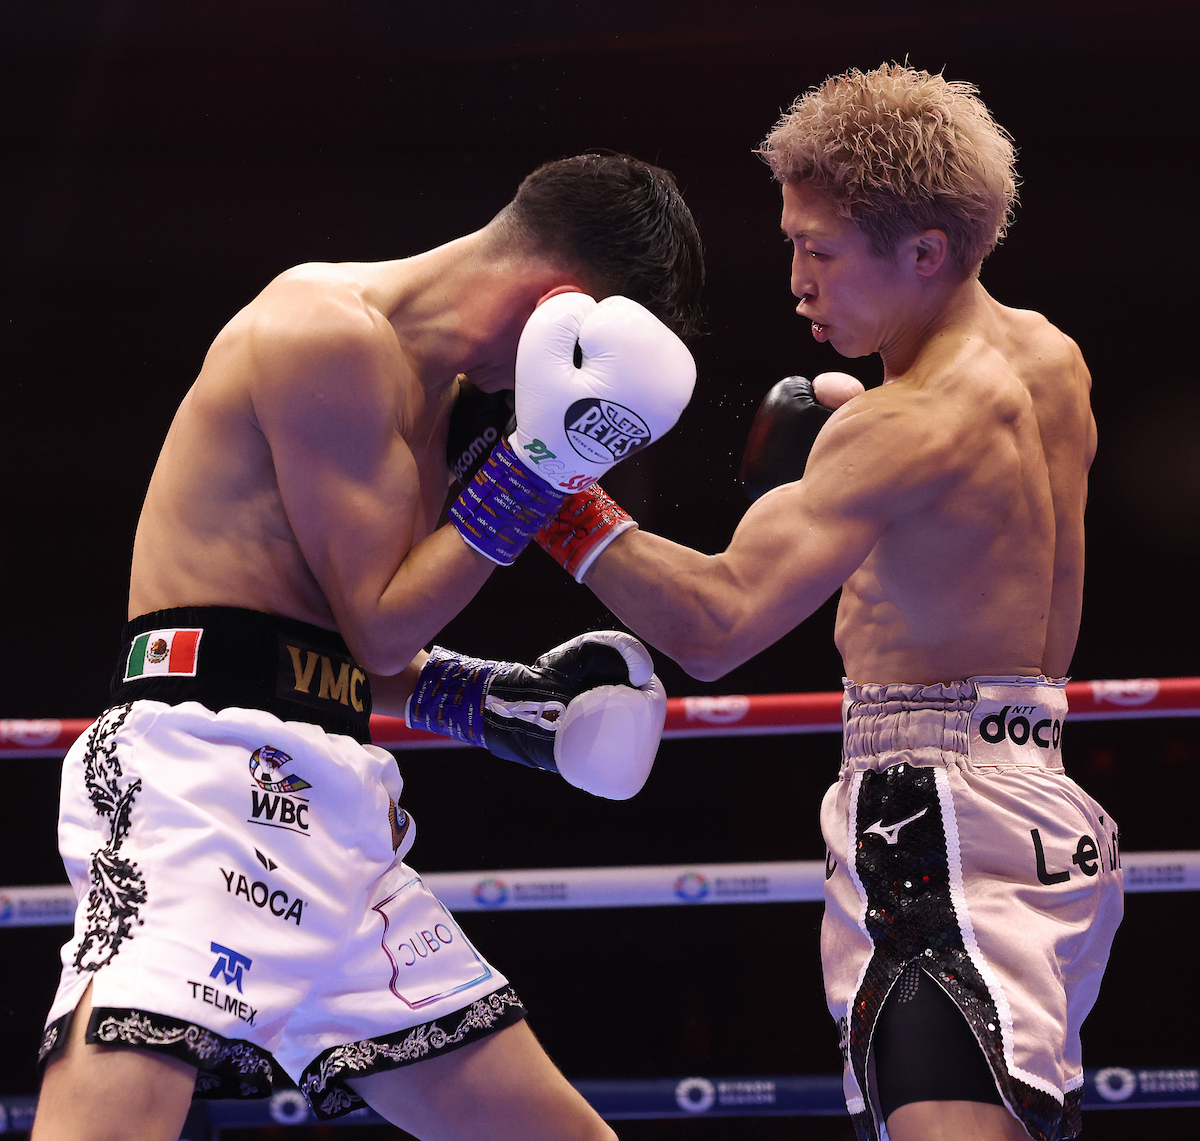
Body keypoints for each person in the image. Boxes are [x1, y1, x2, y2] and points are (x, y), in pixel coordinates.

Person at [33, 153, 703, 1141]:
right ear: (563, 309)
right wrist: (538, 465)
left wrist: (493, 701)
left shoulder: (449, 402)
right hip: (202, 785)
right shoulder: (329, 334)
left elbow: (337, 653)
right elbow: (382, 621)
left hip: (340, 809)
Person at [532, 66, 1121, 1141]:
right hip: (1042, 801)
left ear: (925, 253)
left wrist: (549, 498)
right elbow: (961, 519)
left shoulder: (902, 423)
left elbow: (716, 624)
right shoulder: (1051, 361)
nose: (798, 281)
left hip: (931, 813)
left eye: (822, 251)